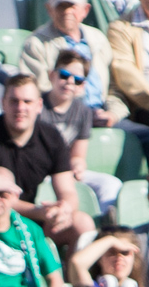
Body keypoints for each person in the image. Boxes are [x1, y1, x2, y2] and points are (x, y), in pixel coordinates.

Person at [0, 75, 96, 249]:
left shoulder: (52, 137)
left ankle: (72, 275)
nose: (20, 108)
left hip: (31, 220)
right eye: (14, 101)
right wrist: (40, 212)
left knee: (82, 223)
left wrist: (63, 209)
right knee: (0, 179)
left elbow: (68, 191)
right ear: (2, 102)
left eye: (27, 102)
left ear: (39, 105)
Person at [20, 0, 124, 124]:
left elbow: (114, 88)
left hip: (101, 113)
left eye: (72, 6)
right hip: (62, 119)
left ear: (85, 10)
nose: (67, 12)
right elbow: (37, 91)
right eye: (61, 6)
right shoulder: (35, 44)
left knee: (145, 137)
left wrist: (113, 114)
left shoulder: (98, 39)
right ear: (49, 10)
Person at [39, 49, 124, 212]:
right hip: (40, 172)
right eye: (64, 75)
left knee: (111, 184)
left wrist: (77, 164)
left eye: (77, 80)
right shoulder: (37, 106)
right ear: (52, 75)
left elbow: (78, 155)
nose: (70, 82)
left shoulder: (83, 112)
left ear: (82, 85)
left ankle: (105, 222)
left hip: (65, 170)